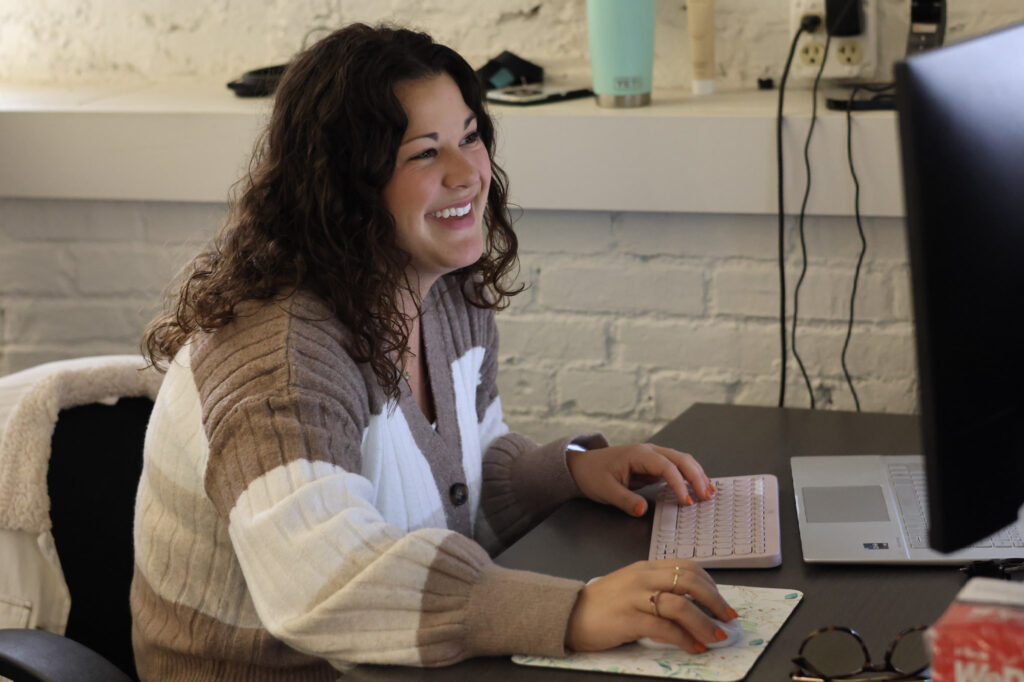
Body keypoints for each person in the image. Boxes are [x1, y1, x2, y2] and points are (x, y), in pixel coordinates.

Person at [132, 23, 737, 681]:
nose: (468, 174)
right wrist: (575, 612)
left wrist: (566, 470)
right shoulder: (281, 356)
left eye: (471, 137)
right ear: (345, 182)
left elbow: (463, 478)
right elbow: (322, 583)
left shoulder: (442, 292)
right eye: (424, 153)